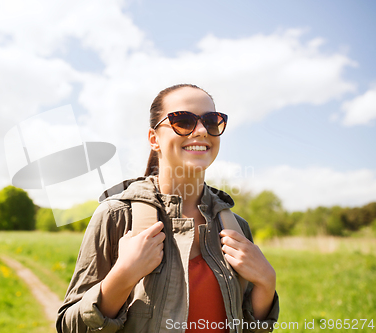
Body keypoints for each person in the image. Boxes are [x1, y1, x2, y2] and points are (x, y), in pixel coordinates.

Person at [56, 84, 279, 333]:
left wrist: (266, 283)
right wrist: (123, 275)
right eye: (183, 120)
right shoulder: (116, 216)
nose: (202, 130)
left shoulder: (236, 227)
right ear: (154, 139)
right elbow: (70, 326)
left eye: (211, 121)